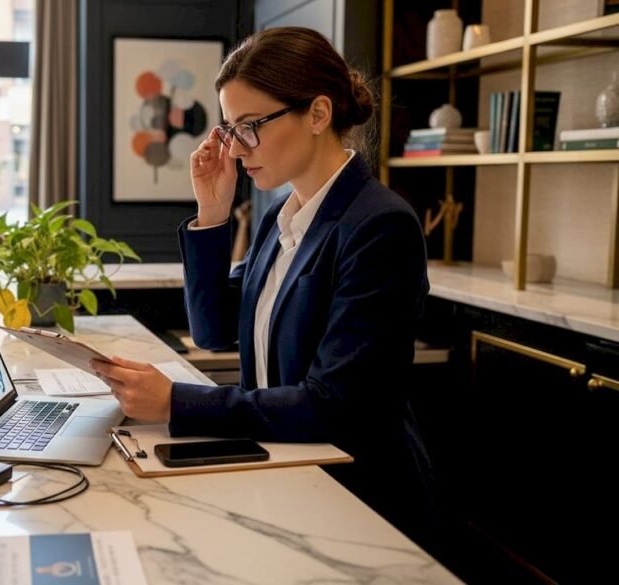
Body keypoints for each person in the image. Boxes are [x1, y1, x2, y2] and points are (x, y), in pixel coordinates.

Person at [91, 27, 439, 549]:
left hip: (362, 502)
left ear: (318, 115)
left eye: (250, 126)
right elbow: (213, 331)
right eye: (229, 129)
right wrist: (212, 214)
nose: (235, 147)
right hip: (293, 471)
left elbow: (334, 406)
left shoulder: (380, 225)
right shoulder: (282, 216)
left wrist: (176, 403)